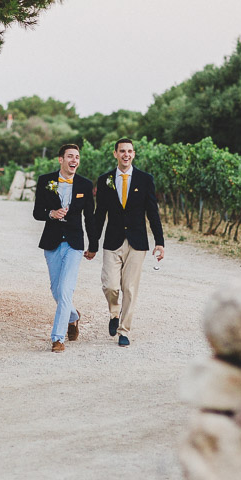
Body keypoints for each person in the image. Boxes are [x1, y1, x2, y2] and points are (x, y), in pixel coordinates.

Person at [91, 138, 164, 347]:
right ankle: (114, 313)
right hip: (112, 240)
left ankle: (124, 330)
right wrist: (93, 244)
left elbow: (153, 212)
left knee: (130, 288)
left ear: (133, 154)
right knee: (111, 286)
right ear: (115, 154)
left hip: (137, 242)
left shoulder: (145, 179)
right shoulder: (105, 180)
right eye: (122, 151)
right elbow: (99, 214)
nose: (126, 155)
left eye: (130, 151)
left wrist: (159, 241)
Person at [33, 143, 99, 353]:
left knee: (66, 288)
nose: (74, 161)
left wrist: (93, 244)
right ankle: (73, 316)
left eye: (77, 157)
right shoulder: (46, 181)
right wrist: (51, 213)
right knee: (56, 290)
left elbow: (90, 217)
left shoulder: (85, 185)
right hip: (51, 241)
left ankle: (57, 338)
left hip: (74, 243)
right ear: (60, 159)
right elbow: (37, 212)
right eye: (70, 156)